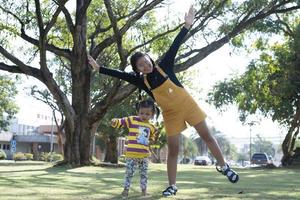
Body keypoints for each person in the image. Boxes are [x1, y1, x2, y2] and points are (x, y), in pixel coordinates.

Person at [88, 5, 239, 197]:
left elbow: (176, 44)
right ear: (138, 69)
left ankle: (224, 166)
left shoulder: (165, 65)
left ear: (150, 59)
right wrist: (100, 68)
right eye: (141, 65)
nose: (145, 65)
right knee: (173, 150)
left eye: (146, 61)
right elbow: (120, 75)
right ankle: (172, 186)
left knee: (208, 137)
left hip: (188, 105)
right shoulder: (141, 81)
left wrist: (187, 25)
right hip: (170, 114)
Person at [110, 99, 158, 198]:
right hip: (131, 155)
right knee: (129, 173)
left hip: (144, 155)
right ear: (138, 112)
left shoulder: (151, 126)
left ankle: (144, 191)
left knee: (144, 174)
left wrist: (152, 140)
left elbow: (153, 137)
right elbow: (122, 121)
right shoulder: (132, 120)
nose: (144, 116)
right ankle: (126, 190)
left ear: (152, 114)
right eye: (141, 113)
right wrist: (115, 122)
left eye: (147, 114)